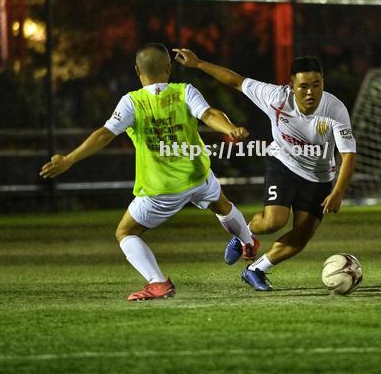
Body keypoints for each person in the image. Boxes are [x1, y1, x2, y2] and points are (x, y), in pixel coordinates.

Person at [39, 43, 259, 301]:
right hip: (198, 175)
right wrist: (229, 128)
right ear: (168, 69)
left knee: (125, 232)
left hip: (162, 189)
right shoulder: (184, 91)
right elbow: (209, 114)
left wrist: (69, 159)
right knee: (221, 204)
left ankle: (158, 283)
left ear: (137, 71)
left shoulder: (132, 102)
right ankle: (248, 240)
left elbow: (104, 135)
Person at [174, 48, 356, 291]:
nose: (311, 92)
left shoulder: (335, 109)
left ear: (323, 82)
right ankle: (243, 234)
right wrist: (198, 64)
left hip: (319, 177)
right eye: (303, 86)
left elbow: (348, 154)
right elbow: (236, 81)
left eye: (316, 84)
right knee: (273, 222)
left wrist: (338, 193)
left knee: (301, 237)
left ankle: (255, 269)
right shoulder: (275, 96)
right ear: (291, 85)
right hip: (283, 164)